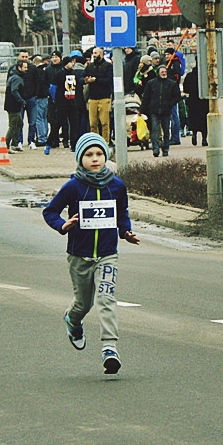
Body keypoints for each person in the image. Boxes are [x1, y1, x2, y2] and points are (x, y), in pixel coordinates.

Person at [42, 133, 139, 375]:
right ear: (80, 158)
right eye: (89, 155)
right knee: (83, 304)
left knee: (105, 300)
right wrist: (62, 225)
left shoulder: (117, 185)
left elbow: (122, 212)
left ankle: (109, 349)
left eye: (99, 154)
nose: (95, 159)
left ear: (106, 157)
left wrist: (125, 231)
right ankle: (72, 321)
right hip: (79, 256)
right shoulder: (73, 186)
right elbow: (50, 211)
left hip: (107, 255)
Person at [141, 66, 181, 157]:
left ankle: (165, 148)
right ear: (158, 72)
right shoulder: (151, 83)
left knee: (166, 131)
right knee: (154, 130)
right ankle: (155, 149)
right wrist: (142, 109)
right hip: (154, 110)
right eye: (162, 71)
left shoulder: (172, 83)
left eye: (165, 71)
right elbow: (146, 97)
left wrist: (169, 104)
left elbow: (177, 97)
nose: (164, 73)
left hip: (166, 111)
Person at [83, 48, 114, 144]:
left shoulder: (108, 66)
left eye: (95, 53)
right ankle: (94, 141)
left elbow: (109, 80)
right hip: (92, 98)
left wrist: (96, 80)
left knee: (105, 123)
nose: (94, 55)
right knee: (92, 123)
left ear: (101, 54)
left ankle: (106, 141)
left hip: (104, 98)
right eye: (93, 53)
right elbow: (82, 77)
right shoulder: (90, 66)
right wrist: (86, 80)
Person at [5, 60, 29, 153]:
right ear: (19, 68)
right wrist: (21, 100)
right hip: (13, 105)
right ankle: (6, 146)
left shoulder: (15, 76)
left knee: (19, 124)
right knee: (13, 125)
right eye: (25, 67)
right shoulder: (17, 78)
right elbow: (14, 91)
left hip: (14, 104)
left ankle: (14, 144)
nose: (26, 69)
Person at [183, 65, 208, 146]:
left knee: (194, 120)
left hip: (193, 101)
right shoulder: (205, 75)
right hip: (204, 101)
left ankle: (194, 134)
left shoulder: (189, 76)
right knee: (204, 121)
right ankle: (204, 139)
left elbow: (185, 88)